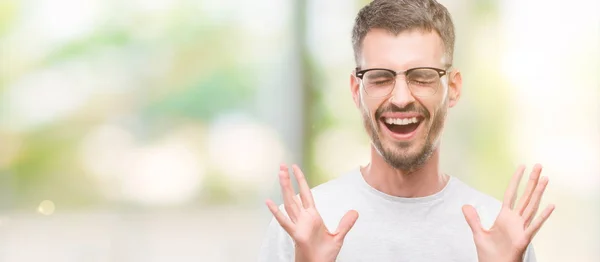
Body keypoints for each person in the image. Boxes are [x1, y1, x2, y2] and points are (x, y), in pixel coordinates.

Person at [258, 0, 555, 261]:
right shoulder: (301, 228)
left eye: (422, 76)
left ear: (452, 88)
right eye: (380, 78)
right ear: (355, 89)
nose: (401, 98)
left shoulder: (500, 232)